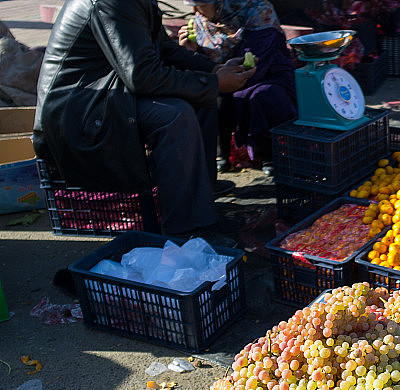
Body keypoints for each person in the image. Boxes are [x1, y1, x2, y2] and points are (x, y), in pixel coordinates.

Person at [33, 0, 255, 236]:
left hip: (109, 92)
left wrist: (213, 71)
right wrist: (213, 82)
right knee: (174, 115)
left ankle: (200, 202)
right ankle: (187, 228)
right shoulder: (114, 3)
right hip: (79, 110)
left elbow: (163, 49)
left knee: (201, 96)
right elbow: (141, 75)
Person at [177, 0, 297, 172]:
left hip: (267, 72)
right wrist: (190, 52)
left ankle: (268, 156)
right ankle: (220, 155)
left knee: (262, 96)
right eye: (197, 7)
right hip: (225, 75)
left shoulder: (258, 10)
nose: (201, 12)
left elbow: (253, 60)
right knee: (213, 97)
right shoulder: (200, 21)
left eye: (205, 6)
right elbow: (204, 64)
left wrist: (222, 74)